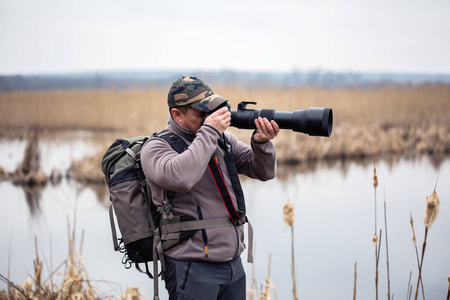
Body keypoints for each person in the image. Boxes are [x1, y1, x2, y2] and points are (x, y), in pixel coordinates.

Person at [141, 76, 279, 300]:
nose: (209, 118)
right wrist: (210, 132)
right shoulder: (157, 147)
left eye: (211, 111)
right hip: (191, 266)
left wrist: (261, 143)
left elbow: (263, 172)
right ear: (177, 114)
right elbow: (181, 178)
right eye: (201, 113)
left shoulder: (222, 140)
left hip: (233, 265)